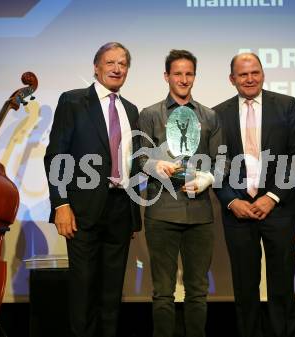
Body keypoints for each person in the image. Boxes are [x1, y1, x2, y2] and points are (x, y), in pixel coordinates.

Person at [44, 42, 141, 337]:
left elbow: (131, 164)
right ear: (96, 68)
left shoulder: (130, 110)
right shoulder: (73, 101)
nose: (117, 68)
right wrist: (61, 204)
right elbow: (56, 155)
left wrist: (133, 210)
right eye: (110, 62)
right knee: (83, 290)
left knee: (112, 293)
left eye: (122, 64)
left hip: (120, 208)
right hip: (82, 211)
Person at [213, 53, 295, 337]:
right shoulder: (218, 113)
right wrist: (230, 200)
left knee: (281, 287)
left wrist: (273, 196)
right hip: (238, 212)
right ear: (232, 79)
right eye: (243, 74)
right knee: (244, 289)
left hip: (279, 210)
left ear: (263, 74)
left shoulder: (286, 105)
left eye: (255, 72)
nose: (250, 78)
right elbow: (215, 163)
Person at [138, 49, 223, 337]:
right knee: (163, 292)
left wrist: (207, 178)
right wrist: (154, 164)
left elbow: (221, 161)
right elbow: (139, 159)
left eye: (189, 74)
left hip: (199, 214)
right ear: (166, 76)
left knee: (198, 291)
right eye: (177, 73)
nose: (183, 79)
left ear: (194, 77)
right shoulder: (149, 115)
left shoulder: (210, 116)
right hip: (161, 212)